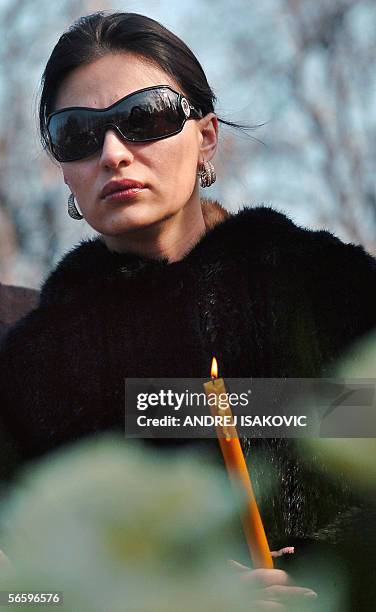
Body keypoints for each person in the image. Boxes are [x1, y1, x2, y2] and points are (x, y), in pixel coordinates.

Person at [0, 11, 375, 610]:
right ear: (62, 166)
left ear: (205, 136)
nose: (115, 154)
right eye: (77, 133)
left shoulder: (336, 294)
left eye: (145, 118)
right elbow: (25, 596)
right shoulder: (29, 374)